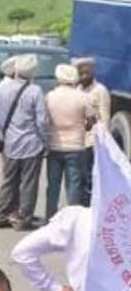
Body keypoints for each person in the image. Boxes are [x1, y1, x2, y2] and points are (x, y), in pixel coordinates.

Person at [0, 54, 49, 231]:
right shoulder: (35, 91)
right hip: (31, 144)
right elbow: (42, 121)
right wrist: (45, 141)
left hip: (9, 143)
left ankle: (0, 216)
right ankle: (24, 218)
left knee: (8, 181)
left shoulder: (3, 88)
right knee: (29, 183)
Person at [44, 63, 96, 220]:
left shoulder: (50, 96)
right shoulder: (83, 97)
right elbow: (91, 120)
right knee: (74, 185)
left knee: (53, 185)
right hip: (76, 146)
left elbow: (44, 119)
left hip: (54, 145)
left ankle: (50, 217)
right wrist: (84, 126)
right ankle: (71, 219)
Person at [74, 57, 112, 204]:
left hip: (92, 140)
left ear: (92, 73)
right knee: (79, 175)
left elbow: (105, 117)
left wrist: (104, 141)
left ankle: (90, 204)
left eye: (87, 73)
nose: (84, 76)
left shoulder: (100, 91)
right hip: (77, 140)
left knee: (89, 176)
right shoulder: (77, 90)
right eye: (81, 74)